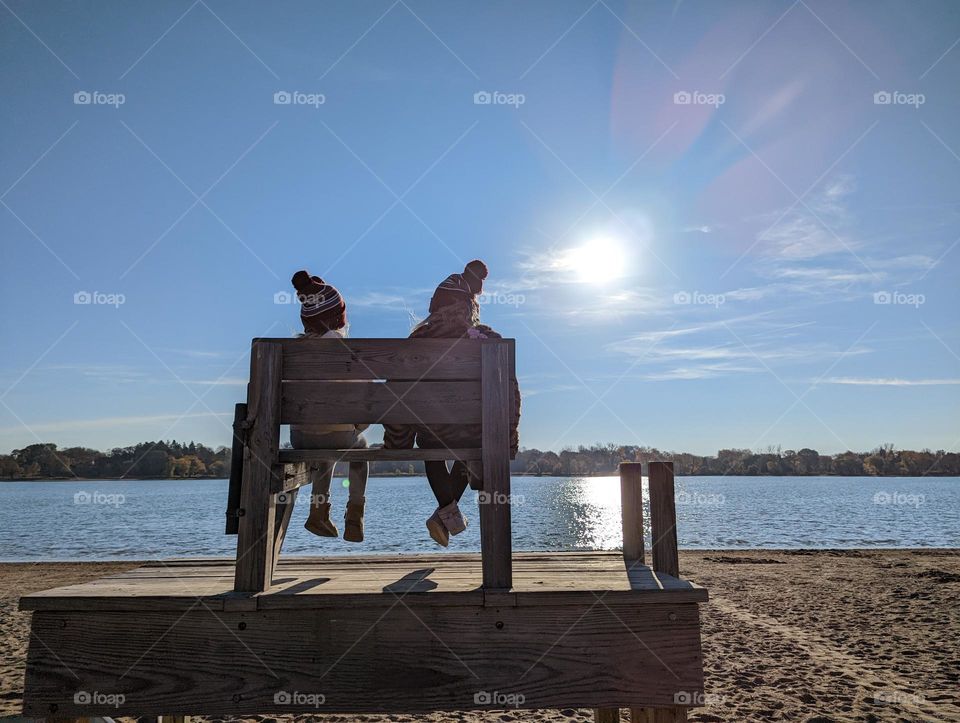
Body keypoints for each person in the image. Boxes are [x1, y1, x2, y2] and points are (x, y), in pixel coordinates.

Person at [383, 260, 521, 546]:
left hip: (431, 433)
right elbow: (511, 393)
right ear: (470, 306)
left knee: (431, 448)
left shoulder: (416, 340)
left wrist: (398, 440)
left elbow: (394, 393)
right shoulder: (487, 339)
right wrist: (506, 438)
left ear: (435, 307)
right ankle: (443, 518)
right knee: (468, 450)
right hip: (475, 435)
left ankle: (444, 515)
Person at [289, 269, 368, 542]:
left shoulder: (293, 350)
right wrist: (359, 425)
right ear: (338, 317)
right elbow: (362, 400)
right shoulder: (343, 349)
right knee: (359, 445)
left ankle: (319, 511)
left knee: (325, 445)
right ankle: (355, 513)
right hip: (338, 434)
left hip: (299, 437)